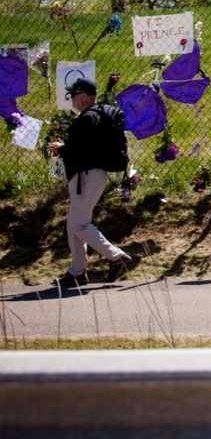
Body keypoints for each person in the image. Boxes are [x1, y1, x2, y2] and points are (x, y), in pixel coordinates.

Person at [46, 78, 134, 287]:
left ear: (84, 96)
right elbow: (89, 146)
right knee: (74, 223)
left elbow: (82, 149)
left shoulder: (88, 119)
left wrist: (62, 148)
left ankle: (115, 256)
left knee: (78, 223)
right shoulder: (96, 115)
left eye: (73, 95)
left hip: (87, 174)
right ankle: (77, 271)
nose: (72, 99)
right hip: (90, 173)